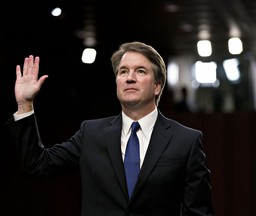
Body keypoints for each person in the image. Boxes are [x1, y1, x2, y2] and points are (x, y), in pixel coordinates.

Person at [8, 41, 214, 216]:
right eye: (123, 71)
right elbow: (37, 163)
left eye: (140, 71)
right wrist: (25, 105)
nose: (129, 77)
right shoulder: (91, 133)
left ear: (157, 86)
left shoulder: (186, 140)